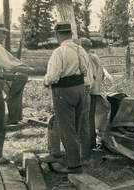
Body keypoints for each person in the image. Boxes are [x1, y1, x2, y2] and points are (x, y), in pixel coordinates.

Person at [42, 21, 89, 174]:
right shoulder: (81, 49)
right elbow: (85, 70)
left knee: (66, 128)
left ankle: (74, 165)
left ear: (57, 35)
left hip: (64, 90)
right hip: (80, 89)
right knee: (74, 126)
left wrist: (45, 81)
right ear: (71, 34)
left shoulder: (60, 51)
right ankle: (73, 158)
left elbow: (53, 76)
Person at [0, 18, 33, 165]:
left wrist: (6, 76)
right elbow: (10, 63)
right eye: (1, 33)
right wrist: (31, 69)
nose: (4, 36)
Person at [80, 37, 113, 149]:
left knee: (88, 118)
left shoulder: (89, 58)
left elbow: (92, 75)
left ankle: (89, 143)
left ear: (84, 47)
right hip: (96, 89)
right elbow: (102, 75)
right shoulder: (95, 57)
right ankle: (91, 142)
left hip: (91, 90)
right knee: (91, 117)